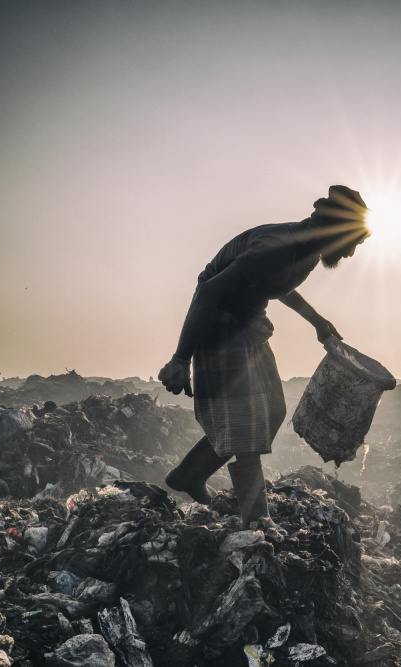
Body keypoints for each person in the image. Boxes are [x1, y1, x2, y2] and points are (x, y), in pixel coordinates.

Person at [158, 185, 369, 527]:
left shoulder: (308, 249)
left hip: (249, 323)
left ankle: (188, 475)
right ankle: (257, 521)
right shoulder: (275, 247)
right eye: (352, 244)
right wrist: (181, 359)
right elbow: (209, 290)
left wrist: (317, 321)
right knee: (248, 425)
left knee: (270, 411)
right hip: (221, 324)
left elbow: (276, 284)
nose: (350, 254)